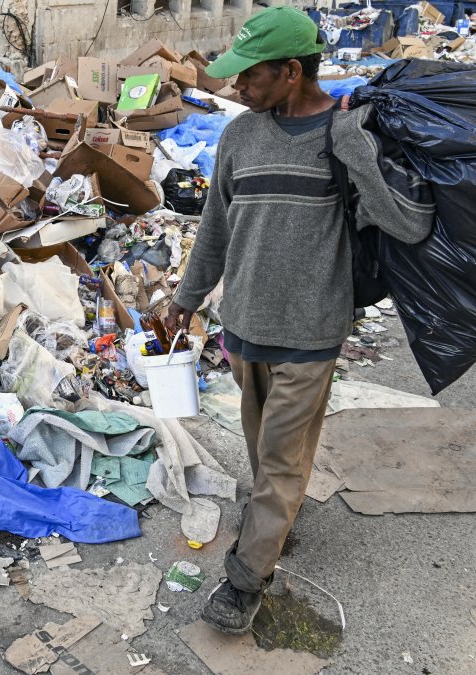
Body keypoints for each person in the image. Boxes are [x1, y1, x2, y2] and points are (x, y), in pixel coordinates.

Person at [164, 6, 435, 635]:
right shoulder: (240, 136)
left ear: (291, 71)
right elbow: (215, 229)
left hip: (312, 333)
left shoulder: (348, 135)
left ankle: (244, 581)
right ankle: (276, 516)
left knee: (282, 463)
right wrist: (186, 298)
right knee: (265, 452)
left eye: (249, 79)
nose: (236, 90)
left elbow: (409, 226)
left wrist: (358, 156)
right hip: (245, 328)